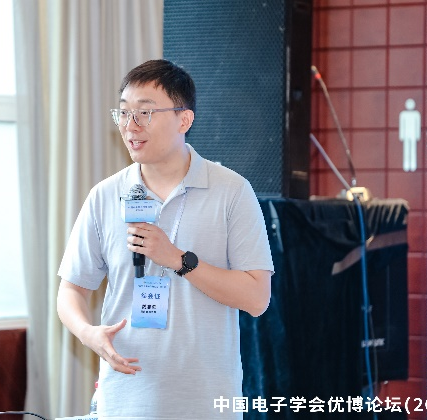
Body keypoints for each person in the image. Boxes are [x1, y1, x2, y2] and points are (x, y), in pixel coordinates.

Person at [57, 59, 274, 419]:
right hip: (124, 401)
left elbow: (256, 298)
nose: (131, 126)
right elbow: (71, 290)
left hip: (206, 404)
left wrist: (178, 260)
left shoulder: (232, 191)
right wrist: (87, 333)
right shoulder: (105, 196)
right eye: (124, 113)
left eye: (145, 112)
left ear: (184, 120)